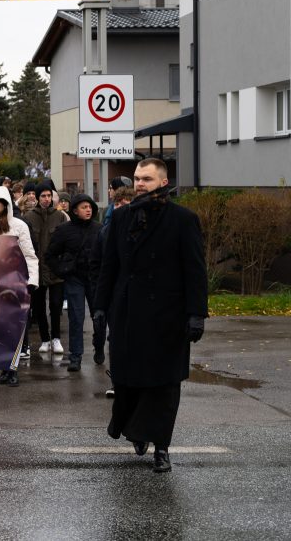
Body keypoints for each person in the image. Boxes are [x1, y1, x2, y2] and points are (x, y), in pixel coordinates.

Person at [93, 159, 207, 473]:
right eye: (137, 178)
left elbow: (195, 270)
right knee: (127, 381)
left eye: (147, 179)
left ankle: (162, 448)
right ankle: (136, 430)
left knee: (164, 385)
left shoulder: (183, 219)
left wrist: (197, 313)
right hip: (127, 313)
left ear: (163, 182)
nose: (140, 184)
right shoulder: (122, 217)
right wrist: (100, 307)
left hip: (167, 316)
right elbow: (109, 266)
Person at [0, 185, 39, 388]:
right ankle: (4, 368)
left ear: (6, 204)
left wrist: (32, 280)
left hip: (15, 281)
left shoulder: (19, 226)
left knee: (13, 326)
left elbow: (29, 255)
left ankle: (13, 369)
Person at [44, 194, 101, 372]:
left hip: (95, 278)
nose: (88, 210)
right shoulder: (64, 230)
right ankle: (75, 356)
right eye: (84, 207)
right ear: (75, 211)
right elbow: (50, 255)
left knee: (99, 316)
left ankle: (99, 346)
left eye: (90, 207)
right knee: (76, 317)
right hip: (74, 278)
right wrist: (61, 270)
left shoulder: (99, 229)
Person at [89, 186, 134, 394]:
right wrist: (100, 299)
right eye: (117, 204)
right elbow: (97, 264)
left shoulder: (144, 228)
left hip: (137, 293)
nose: (120, 208)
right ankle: (117, 381)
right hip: (115, 295)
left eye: (124, 204)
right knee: (116, 338)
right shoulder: (105, 232)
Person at [23, 181, 68, 359]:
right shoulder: (28, 217)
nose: (46, 199)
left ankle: (56, 338)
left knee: (56, 305)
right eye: (43, 196)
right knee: (39, 306)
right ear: (37, 197)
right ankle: (45, 339)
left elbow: (66, 242)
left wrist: (63, 263)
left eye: (49, 195)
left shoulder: (60, 216)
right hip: (36, 269)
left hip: (55, 268)